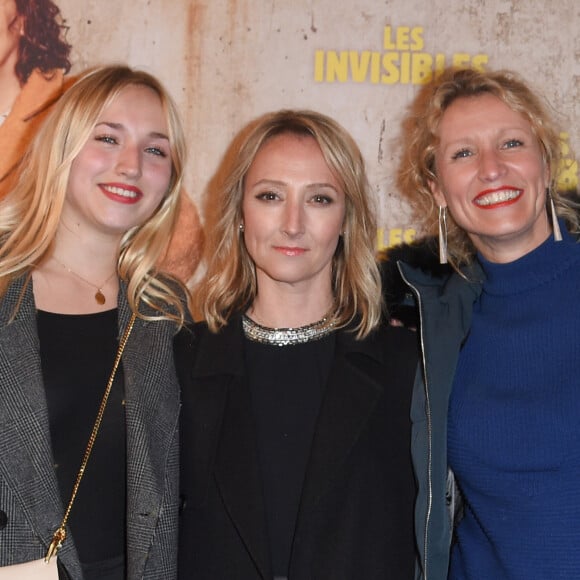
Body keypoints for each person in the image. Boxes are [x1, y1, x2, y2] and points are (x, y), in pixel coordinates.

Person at [175, 109, 419, 580]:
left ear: (347, 219)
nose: (292, 223)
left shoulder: (408, 365)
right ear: (239, 212)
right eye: (270, 195)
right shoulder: (179, 362)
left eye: (320, 199)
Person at [0, 64, 190, 579]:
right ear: (62, 147)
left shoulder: (170, 313)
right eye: (108, 138)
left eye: (155, 150)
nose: (130, 165)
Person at [390, 66, 580, 579]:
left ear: (546, 159)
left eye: (511, 143)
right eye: (463, 153)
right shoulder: (435, 326)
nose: (491, 169)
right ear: (436, 188)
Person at [0, 0, 203, 283]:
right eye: (108, 139)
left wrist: (123, 294)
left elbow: (179, 235)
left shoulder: (76, 101)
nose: (131, 166)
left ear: (23, 16)